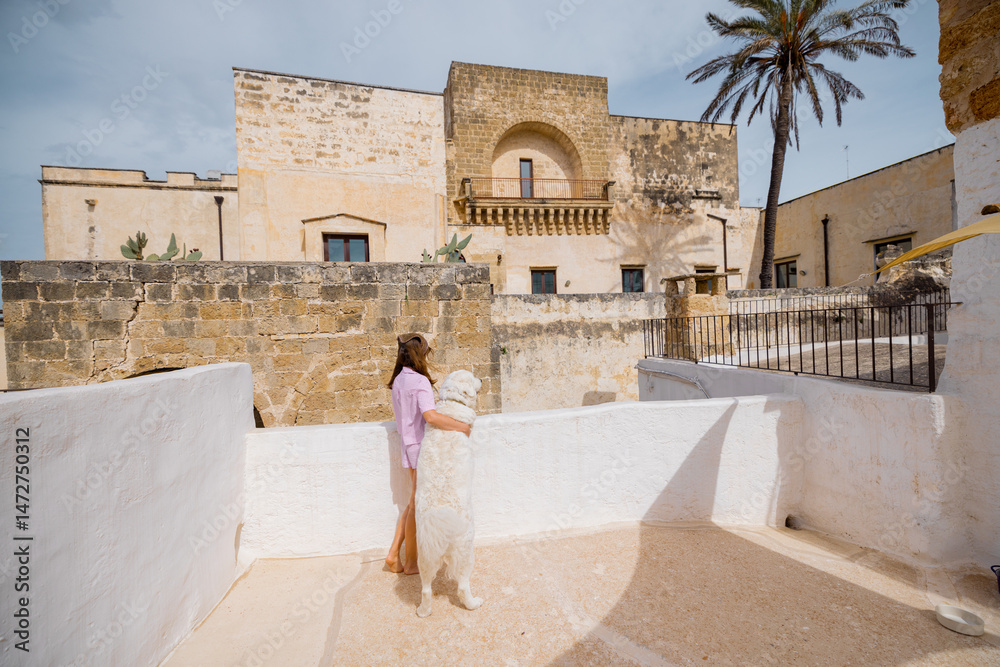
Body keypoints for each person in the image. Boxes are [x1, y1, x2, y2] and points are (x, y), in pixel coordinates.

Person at [385, 333, 471, 575]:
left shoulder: (400, 379)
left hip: (408, 444)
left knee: (413, 502)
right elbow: (430, 416)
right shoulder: (419, 381)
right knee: (415, 504)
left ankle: (397, 556)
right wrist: (462, 426)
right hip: (421, 446)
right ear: (418, 353)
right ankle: (405, 560)